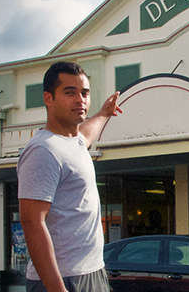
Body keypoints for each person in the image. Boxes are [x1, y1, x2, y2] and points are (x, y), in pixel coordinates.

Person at [17, 61, 123, 292]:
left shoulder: (74, 142)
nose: (80, 99)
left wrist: (104, 113)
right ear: (48, 98)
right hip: (62, 280)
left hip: (92, 272)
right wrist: (57, 289)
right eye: (69, 92)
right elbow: (32, 222)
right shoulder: (43, 151)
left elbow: (86, 134)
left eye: (84, 93)